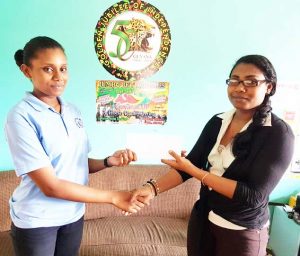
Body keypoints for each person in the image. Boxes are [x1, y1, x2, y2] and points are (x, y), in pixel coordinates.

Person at [131, 55, 295, 256]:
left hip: (241, 231)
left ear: (269, 87)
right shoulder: (218, 121)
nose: (240, 87)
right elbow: (189, 164)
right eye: (234, 80)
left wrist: (197, 172)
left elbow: (253, 196)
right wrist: (152, 189)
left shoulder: (278, 133)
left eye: (251, 82)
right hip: (203, 220)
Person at [5, 36, 144, 256]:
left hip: (73, 215)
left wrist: (108, 161)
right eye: (48, 69)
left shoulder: (72, 111)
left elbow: (76, 163)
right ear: (27, 71)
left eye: (63, 68)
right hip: (38, 220)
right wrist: (113, 196)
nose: (59, 77)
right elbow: (50, 186)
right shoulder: (20, 116)